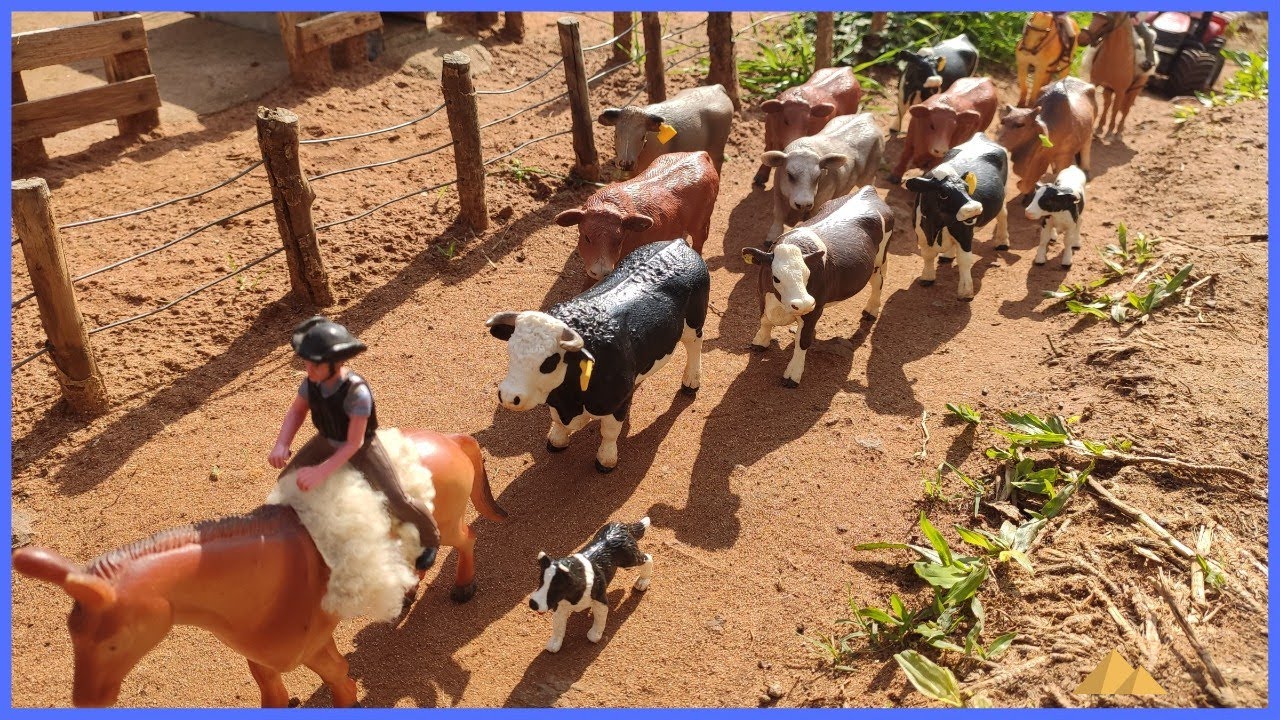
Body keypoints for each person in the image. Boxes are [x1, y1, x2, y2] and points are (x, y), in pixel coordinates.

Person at [269, 316, 440, 571]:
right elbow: (296, 412)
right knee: (286, 480)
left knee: (397, 498)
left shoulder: (356, 393)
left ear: (335, 364)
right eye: (306, 362)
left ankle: (430, 538)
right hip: (327, 438)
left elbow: (353, 443)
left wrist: (320, 471)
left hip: (362, 447)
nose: (308, 369)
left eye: (315, 364)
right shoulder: (311, 383)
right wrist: (282, 443)